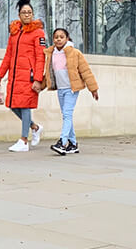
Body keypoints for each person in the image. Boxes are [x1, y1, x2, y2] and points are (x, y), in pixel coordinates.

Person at [0, 0, 46, 152]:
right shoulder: (14, 33)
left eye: (29, 12)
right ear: (19, 15)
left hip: (28, 77)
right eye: (24, 12)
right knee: (12, 104)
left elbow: (40, 57)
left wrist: (37, 79)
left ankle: (24, 140)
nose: (27, 15)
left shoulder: (38, 33)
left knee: (25, 106)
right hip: (15, 77)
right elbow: (8, 56)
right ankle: (35, 127)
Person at [40, 27, 99, 155]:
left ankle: (62, 142)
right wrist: (40, 87)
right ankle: (73, 144)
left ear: (67, 39)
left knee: (67, 114)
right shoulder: (51, 54)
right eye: (56, 37)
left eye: (62, 37)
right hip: (60, 89)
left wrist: (93, 88)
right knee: (66, 115)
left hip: (72, 89)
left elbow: (85, 71)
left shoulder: (75, 53)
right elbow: (48, 74)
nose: (58, 39)